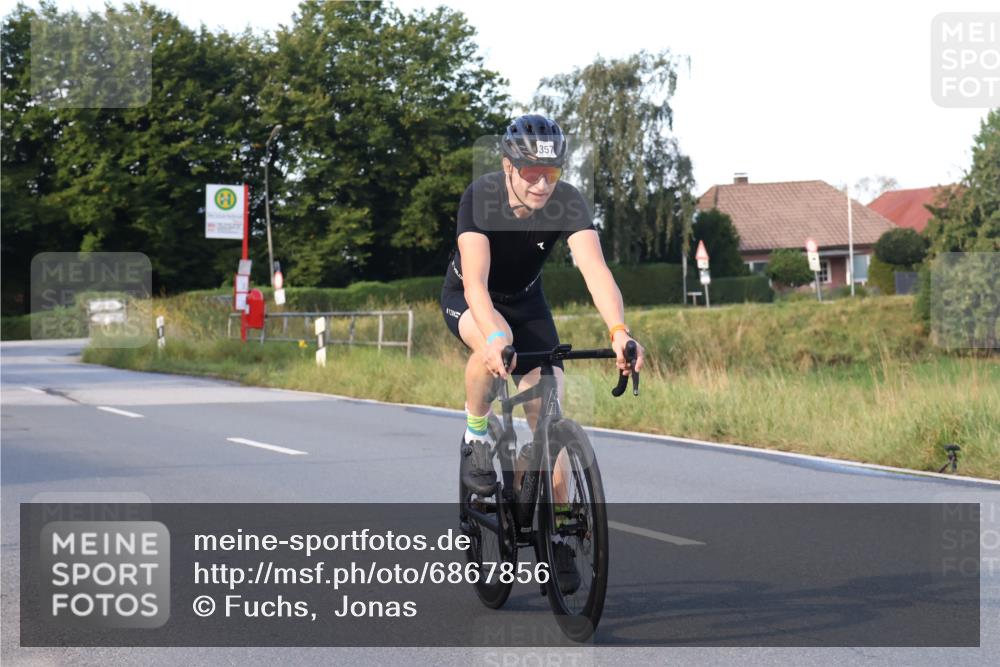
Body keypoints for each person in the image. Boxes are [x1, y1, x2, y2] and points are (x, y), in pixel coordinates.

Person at [440, 114, 646, 591]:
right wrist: (495, 339)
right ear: (508, 166)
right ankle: (475, 437)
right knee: (486, 350)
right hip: (473, 298)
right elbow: (475, 282)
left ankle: (559, 536)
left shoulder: (567, 201)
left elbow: (595, 269)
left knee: (548, 411)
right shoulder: (481, 196)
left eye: (549, 175)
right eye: (531, 173)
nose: (540, 185)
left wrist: (619, 331)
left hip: (528, 302)